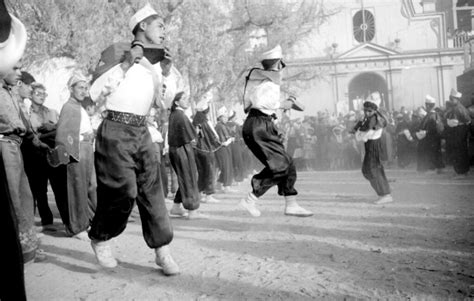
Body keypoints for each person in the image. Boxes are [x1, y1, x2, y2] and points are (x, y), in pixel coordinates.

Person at [88, 4, 179, 275]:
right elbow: (94, 93)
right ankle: (101, 237)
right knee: (123, 192)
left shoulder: (156, 63)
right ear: (142, 27)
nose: (164, 31)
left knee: (153, 193)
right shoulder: (116, 53)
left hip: (143, 132)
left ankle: (162, 251)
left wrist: (165, 72)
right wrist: (126, 64)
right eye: (160, 26)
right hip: (115, 131)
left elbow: (164, 103)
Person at [239, 45, 313, 217]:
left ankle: (291, 203)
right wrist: (282, 104)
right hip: (259, 125)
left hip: (259, 124)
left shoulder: (262, 82)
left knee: (287, 162)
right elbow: (260, 102)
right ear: (278, 63)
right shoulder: (269, 84)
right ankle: (250, 199)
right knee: (280, 164)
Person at [0, 0, 28, 297]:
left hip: (16, 145)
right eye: (15, 67)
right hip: (4, 145)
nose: (18, 72)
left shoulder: (11, 94)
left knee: (21, 196)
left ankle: (26, 246)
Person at [55, 73, 97, 240]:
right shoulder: (68, 107)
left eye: (85, 88)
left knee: (91, 185)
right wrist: (71, 152)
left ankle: (92, 220)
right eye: (80, 87)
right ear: (71, 89)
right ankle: (77, 227)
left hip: (87, 149)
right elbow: (62, 134)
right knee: (77, 188)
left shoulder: (80, 108)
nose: (83, 91)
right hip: (77, 150)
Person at [22, 82, 63, 231]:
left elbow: (61, 127)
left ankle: (60, 222)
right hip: (34, 154)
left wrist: (53, 127)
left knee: (58, 187)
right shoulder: (26, 112)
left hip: (51, 153)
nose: (41, 97)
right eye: (38, 94)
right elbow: (28, 132)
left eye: (43, 94)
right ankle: (41, 222)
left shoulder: (52, 112)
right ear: (31, 95)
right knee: (38, 189)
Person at [168, 92, 207, 218]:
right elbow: (191, 137)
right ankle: (192, 211)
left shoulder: (175, 115)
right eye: (183, 99)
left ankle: (176, 207)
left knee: (184, 177)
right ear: (176, 102)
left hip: (176, 150)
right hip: (182, 150)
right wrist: (196, 132)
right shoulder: (180, 115)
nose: (186, 100)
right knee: (189, 177)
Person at [352, 96, 393, 204]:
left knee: (372, 169)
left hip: (374, 146)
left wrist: (359, 134)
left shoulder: (376, 120)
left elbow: (364, 136)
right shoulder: (369, 119)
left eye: (369, 111)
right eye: (365, 110)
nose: (367, 113)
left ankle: (385, 194)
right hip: (370, 146)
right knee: (368, 170)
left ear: (374, 110)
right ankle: (384, 192)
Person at [192, 96, 222, 203]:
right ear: (206, 110)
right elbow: (214, 136)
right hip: (206, 149)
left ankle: (199, 194)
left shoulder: (195, 120)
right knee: (209, 171)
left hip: (197, 150)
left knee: (201, 172)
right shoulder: (205, 121)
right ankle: (208, 196)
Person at [444, 89, 471, 179]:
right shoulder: (461, 107)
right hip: (462, 132)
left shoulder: (456, 109)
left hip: (458, 132)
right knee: (462, 151)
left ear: (456, 99)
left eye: (452, 99)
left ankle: (460, 173)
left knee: (458, 152)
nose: (451, 101)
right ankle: (464, 171)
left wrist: (447, 122)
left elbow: (454, 122)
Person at [415, 95, 445, 173]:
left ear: (428, 105)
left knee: (430, 153)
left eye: (426, 105)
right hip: (436, 138)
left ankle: (431, 169)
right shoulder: (436, 114)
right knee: (436, 153)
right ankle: (439, 168)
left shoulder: (430, 116)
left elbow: (426, 128)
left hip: (429, 138)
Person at [214, 106, 235, 192]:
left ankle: (219, 184)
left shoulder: (222, 125)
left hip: (224, 149)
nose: (226, 118)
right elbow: (224, 142)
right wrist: (231, 139)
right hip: (222, 149)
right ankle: (226, 186)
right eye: (225, 117)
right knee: (226, 167)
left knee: (225, 167)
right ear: (220, 117)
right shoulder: (220, 126)